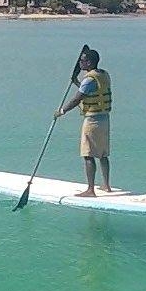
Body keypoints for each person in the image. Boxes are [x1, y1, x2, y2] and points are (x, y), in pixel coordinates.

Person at [55, 47, 113, 197]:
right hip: (105, 119)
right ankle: (106, 186)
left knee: (88, 154)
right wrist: (77, 83)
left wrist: (62, 111)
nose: (79, 63)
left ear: (89, 62)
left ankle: (90, 190)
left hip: (92, 121)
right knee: (102, 154)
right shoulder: (103, 75)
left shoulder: (89, 79)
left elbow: (77, 99)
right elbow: (91, 91)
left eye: (82, 60)